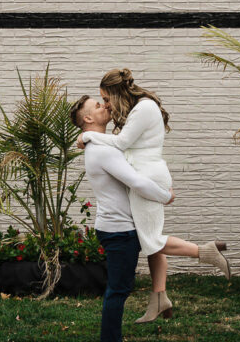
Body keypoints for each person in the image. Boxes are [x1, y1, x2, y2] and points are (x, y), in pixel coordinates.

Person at [78, 68, 230, 324]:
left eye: (105, 98)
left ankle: (206, 252)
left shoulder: (143, 108)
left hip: (148, 177)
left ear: (116, 92)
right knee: (148, 239)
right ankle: (159, 299)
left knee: (150, 238)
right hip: (144, 175)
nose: (105, 104)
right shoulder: (136, 110)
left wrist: (88, 134)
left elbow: (122, 143)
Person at [71, 94, 173, 342]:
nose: (105, 105)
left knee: (118, 290)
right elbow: (136, 181)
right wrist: (165, 196)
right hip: (119, 230)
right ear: (88, 119)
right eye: (97, 105)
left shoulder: (101, 144)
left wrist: (83, 138)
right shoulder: (102, 150)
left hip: (118, 227)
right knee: (117, 291)